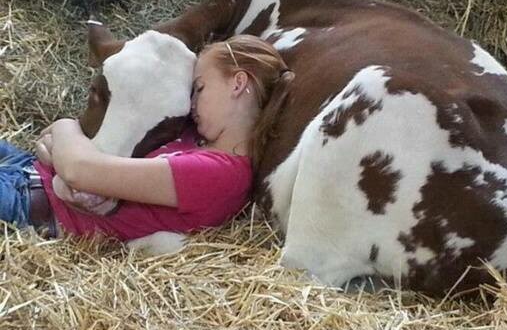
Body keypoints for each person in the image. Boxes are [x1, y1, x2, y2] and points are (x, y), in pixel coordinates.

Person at [0, 34, 294, 241]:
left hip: (29, 208)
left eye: (200, 88)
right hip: (28, 169)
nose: (189, 102)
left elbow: (78, 171)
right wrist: (59, 150)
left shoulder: (219, 174)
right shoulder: (193, 135)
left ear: (237, 83)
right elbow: (60, 155)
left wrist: (64, 127)